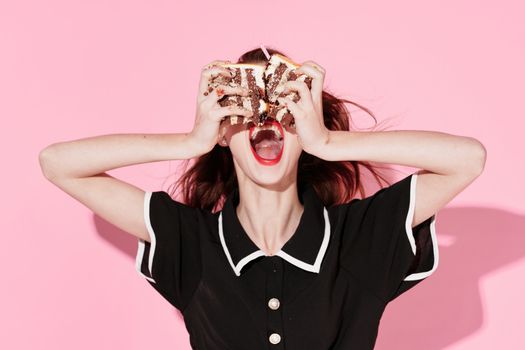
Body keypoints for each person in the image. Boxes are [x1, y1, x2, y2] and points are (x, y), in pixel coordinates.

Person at [39, 47, 486, 349]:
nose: (264, 122)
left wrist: (328, 141)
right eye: (244, 109)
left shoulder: (358, 241)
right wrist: (191, 139)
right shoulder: (190, 243)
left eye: (285, 108)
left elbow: (467, 158)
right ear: (223, 134)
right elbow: (58, 162)